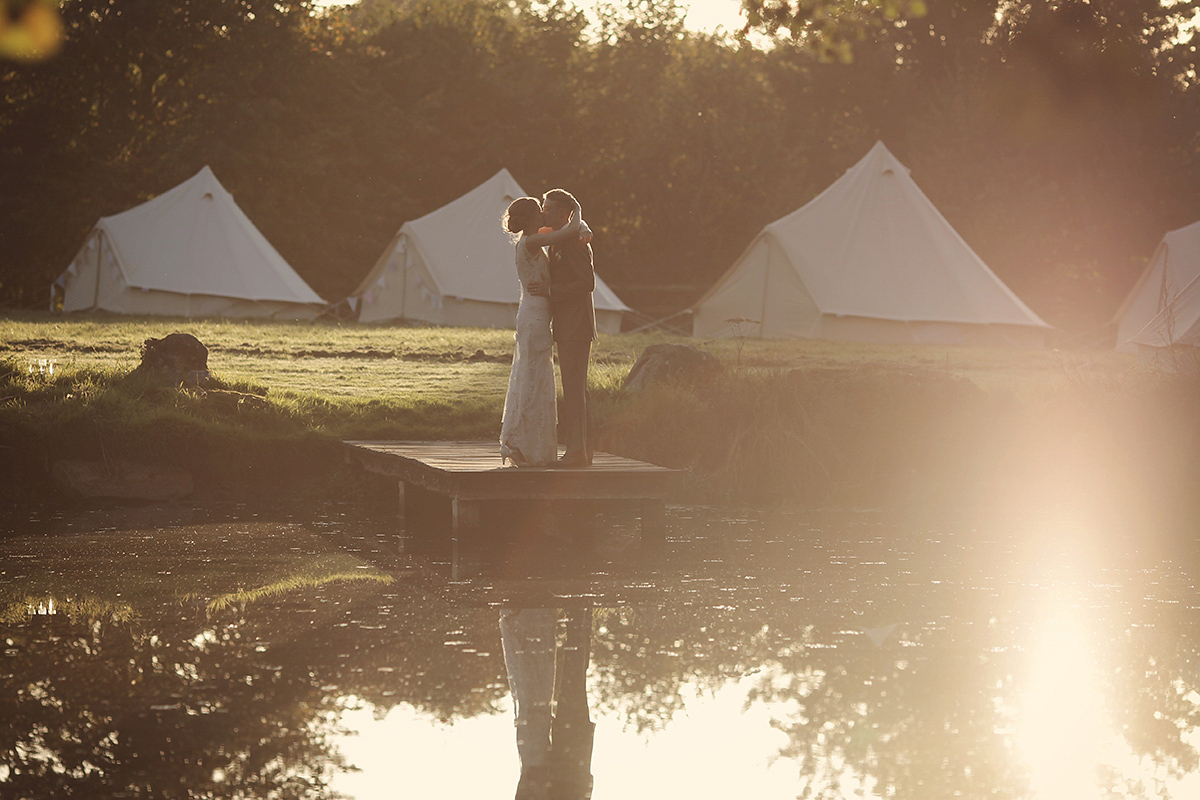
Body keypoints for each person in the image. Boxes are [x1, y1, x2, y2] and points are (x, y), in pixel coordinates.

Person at [499, 195, 584, 467]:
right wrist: (578, 210)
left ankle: (522, 443)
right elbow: (569, 230)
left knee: (531, 379)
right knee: (534, 381)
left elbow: (565, 230)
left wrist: (585, 228)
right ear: (532, 217)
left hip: (534, 316)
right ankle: (521, 444)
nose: (543, 215)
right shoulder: (532, 241)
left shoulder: (533, 238)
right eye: (540, 211)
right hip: (535, 319)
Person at [527, 188, 596, 468]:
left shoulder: (576, 244)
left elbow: (587, 283)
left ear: (561, 212)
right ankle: (582, 451)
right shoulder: (561, 238)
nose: (543, 211)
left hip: (576, 325)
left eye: (548, 207)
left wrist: (549, 290)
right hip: (567, 325)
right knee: (577, 389)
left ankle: (577, 453)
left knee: (574, 389)